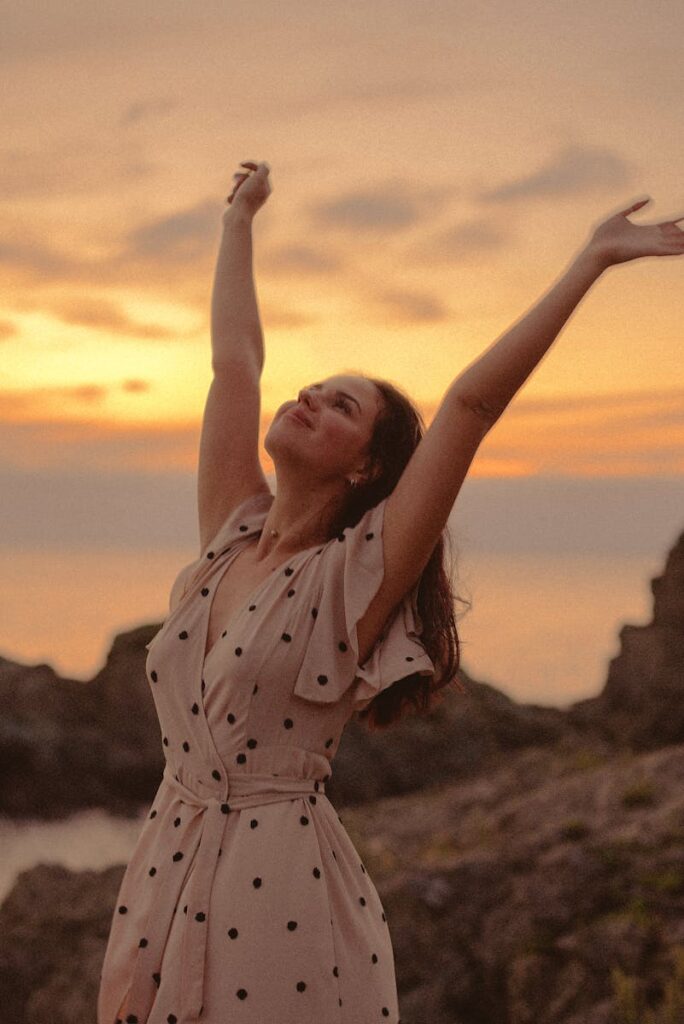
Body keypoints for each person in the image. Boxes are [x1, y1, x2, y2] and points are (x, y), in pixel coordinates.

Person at [98, 161, 684, 1024]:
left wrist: (591, 260)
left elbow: (473, 403)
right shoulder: (229, 536)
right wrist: (238, 223)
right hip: (164, 863)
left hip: (277, 894)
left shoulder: (355, 579)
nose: (308, 398)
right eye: (314, 387)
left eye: (338, 405)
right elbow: (234, 365)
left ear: (366, 465)